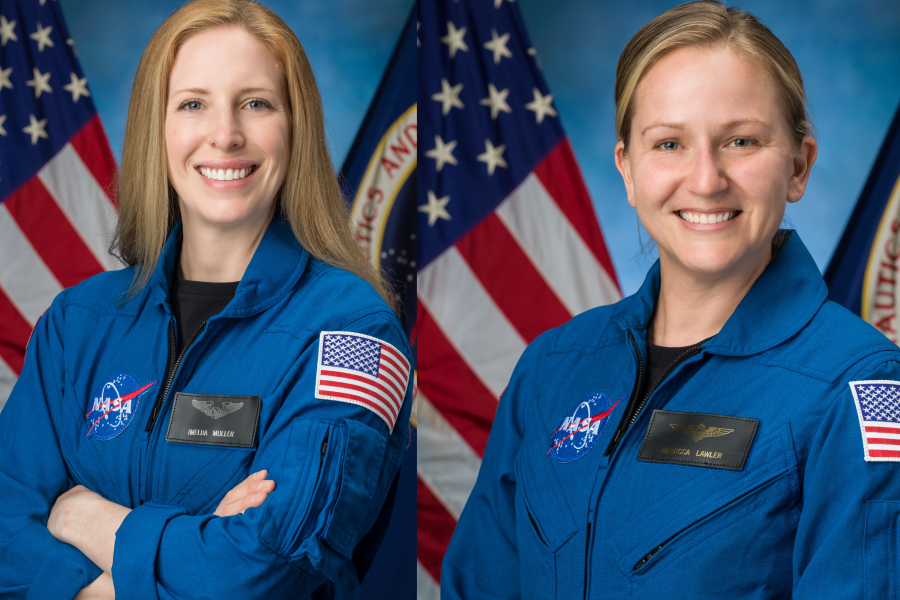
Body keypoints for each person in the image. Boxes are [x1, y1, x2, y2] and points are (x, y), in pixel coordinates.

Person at [441, 1, 900, 598]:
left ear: (798, 166)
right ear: (627, 170)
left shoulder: (859, 387)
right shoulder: (551, 369)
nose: (706, 179)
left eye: (741, 140)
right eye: (668, 144)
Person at [0, 1, 412, 599]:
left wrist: (85, 519)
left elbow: (264, 571)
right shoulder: (76, 325)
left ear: (295, 128)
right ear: (157, 129)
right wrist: (186, 548)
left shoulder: (356, 335)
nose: (226, 134)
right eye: (193, 103)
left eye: (257, 103)